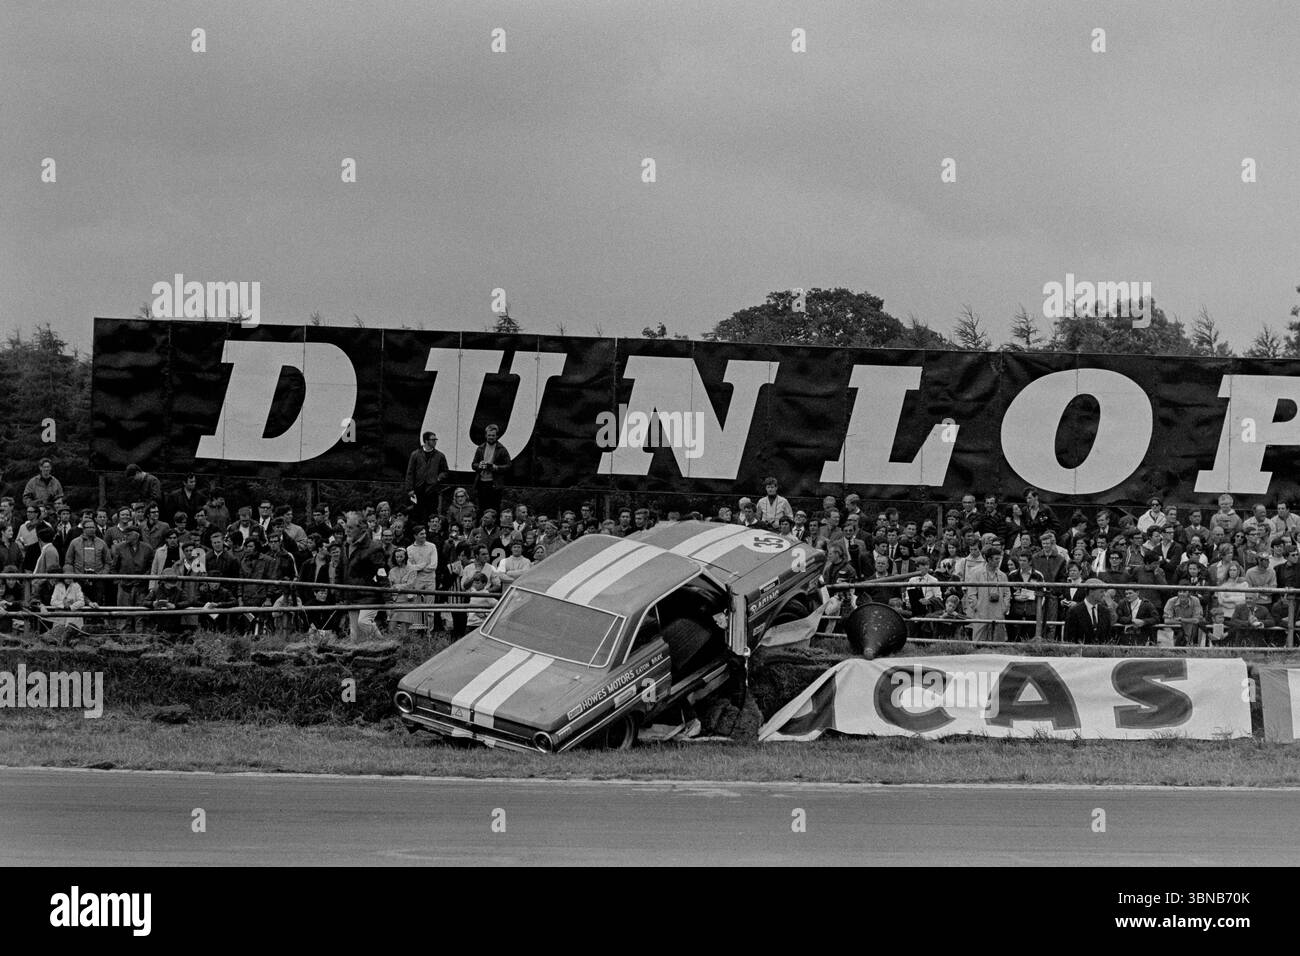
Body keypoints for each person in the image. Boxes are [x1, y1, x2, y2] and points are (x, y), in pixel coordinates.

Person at [343, 511, 387, 642]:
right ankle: (358, 656)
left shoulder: (374, 547)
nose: (347, 531)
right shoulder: (346, 545)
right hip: (351, 594)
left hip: (369, 594)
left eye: (350, 528)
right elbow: (341, 569)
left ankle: (384, 644)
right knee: (355, 633)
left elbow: (381, 573)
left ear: (361, 528)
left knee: (364, 622)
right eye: (346, 527)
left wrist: (389, 599)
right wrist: (340, 593)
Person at [108, 525, 151, 634]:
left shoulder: (147, 548)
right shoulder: (119, 548)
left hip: (141, 586)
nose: (125, 536)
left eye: (128, 534)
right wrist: (119, 581)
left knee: (140, 613)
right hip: (124, 586)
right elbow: (113, 567)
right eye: (125, 534)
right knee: (123, 613)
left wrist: (144, 579)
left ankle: (140, 637)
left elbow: (151, 567)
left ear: (136, 535)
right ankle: (123, 637)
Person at [964, 546, 1009, 643]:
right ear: (989, 559)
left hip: (998, 610)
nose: (998, 561)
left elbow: (1007, 593)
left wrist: (1005, 607)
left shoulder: (1002, 575)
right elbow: (971, 593)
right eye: (996, 559)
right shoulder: (976, 573)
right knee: (978, 641)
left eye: (999, 559)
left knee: (998, 641)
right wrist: (976, 606)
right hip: (982, 610)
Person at [471, 423, 511, 515]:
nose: (491, 437)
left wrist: (496, 467)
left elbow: (508, 465)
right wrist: (479, 466)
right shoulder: (480, 448)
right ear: (486, 435)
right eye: (489, 435)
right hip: (481, 483)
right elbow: (473, 465)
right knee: (482, 508)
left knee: (494, 508)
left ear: (497, 436)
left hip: (495, 484)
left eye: (493, 435)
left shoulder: (502, 449)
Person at [386, 547, 422, 639]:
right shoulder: (392, 571)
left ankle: (404, 649)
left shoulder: (412, 570)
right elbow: (389, 585)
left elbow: (410, 584)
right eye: (397, 557)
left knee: (404, 632)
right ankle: (392, 647)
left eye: (401, 557)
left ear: (405, 557)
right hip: (395, 601)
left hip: (407, 601)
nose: (399, 559)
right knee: (391, 628)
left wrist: (397, 586)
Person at [1063, 579, 1113, 644]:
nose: (1104, 594)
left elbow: (1108, 638)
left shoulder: (1105, 612)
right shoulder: (1074, 611)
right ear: (1091, 592)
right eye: (1101, 592)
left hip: (1101, 652)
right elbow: (1069, 639)